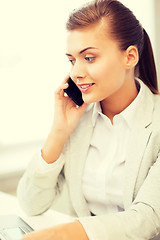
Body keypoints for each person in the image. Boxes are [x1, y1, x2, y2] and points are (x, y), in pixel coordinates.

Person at [17, 0, 160, 239]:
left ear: (130, 56)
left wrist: (62, 234)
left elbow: (147, 218)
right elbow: (31, 203)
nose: (76, 72)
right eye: (72, 60)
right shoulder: (79, 120)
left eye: (89, 58)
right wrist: (58, 132)